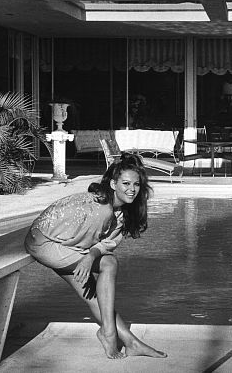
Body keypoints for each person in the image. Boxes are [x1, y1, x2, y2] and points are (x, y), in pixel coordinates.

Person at [24, 153, 167, 360]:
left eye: (136, 184)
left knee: (96, 295)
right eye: (125, 183)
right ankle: (109, 334)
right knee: (108, 263)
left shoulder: (119, 210)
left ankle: (130, 341)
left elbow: (104, 243)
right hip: (45, 241)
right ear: (112, 184)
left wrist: (91, 255)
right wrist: (90, 256)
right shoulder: (101, 209)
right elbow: (85, 242)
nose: (132, 189)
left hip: (66, 245)